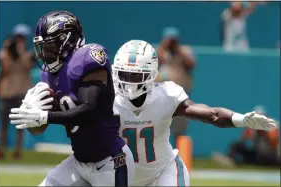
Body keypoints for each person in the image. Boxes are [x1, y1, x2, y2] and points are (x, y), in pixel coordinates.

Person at [112, 40, 278, 186]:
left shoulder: (166, 96)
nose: (128, 81)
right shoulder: (107, 98)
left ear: (151, 74)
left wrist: (240, 119)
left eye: (135, 75)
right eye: (123, 74)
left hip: (162, 173)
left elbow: (212, 115)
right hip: (121, 176)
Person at [9, 11, 134, 186]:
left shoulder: (87, 57)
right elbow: (39, 128)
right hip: (80, 162)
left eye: (50, 47)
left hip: (110, 161)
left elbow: (91, 108)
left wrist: (46, 116)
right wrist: (33, 118)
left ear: (68, 41)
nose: (45, 54)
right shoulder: (48, 74)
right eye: (42, 48)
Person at [0, 24, 34, 160]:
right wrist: (9, 53)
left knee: (20, 125)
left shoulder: (27, 54)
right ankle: (1, 149)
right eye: (18, 37)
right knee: (4, 125)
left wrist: (20, 53)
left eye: (22, 37)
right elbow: (5, 69)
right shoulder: (5, 53)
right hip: (6, 93)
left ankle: (17, 151)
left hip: (21, 93)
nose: (20, 40)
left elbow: (28, 68)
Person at [156, 27, 195, 147]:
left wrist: (177, 49)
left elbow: (192, 64)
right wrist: (163, 47)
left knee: (179, 128)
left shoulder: (184, 50)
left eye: (173, 40)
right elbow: (154, 63)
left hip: (179, 97)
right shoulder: (159, 51)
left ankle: (180, 156)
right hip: (160, 96)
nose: (171, 42)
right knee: (158, 128)